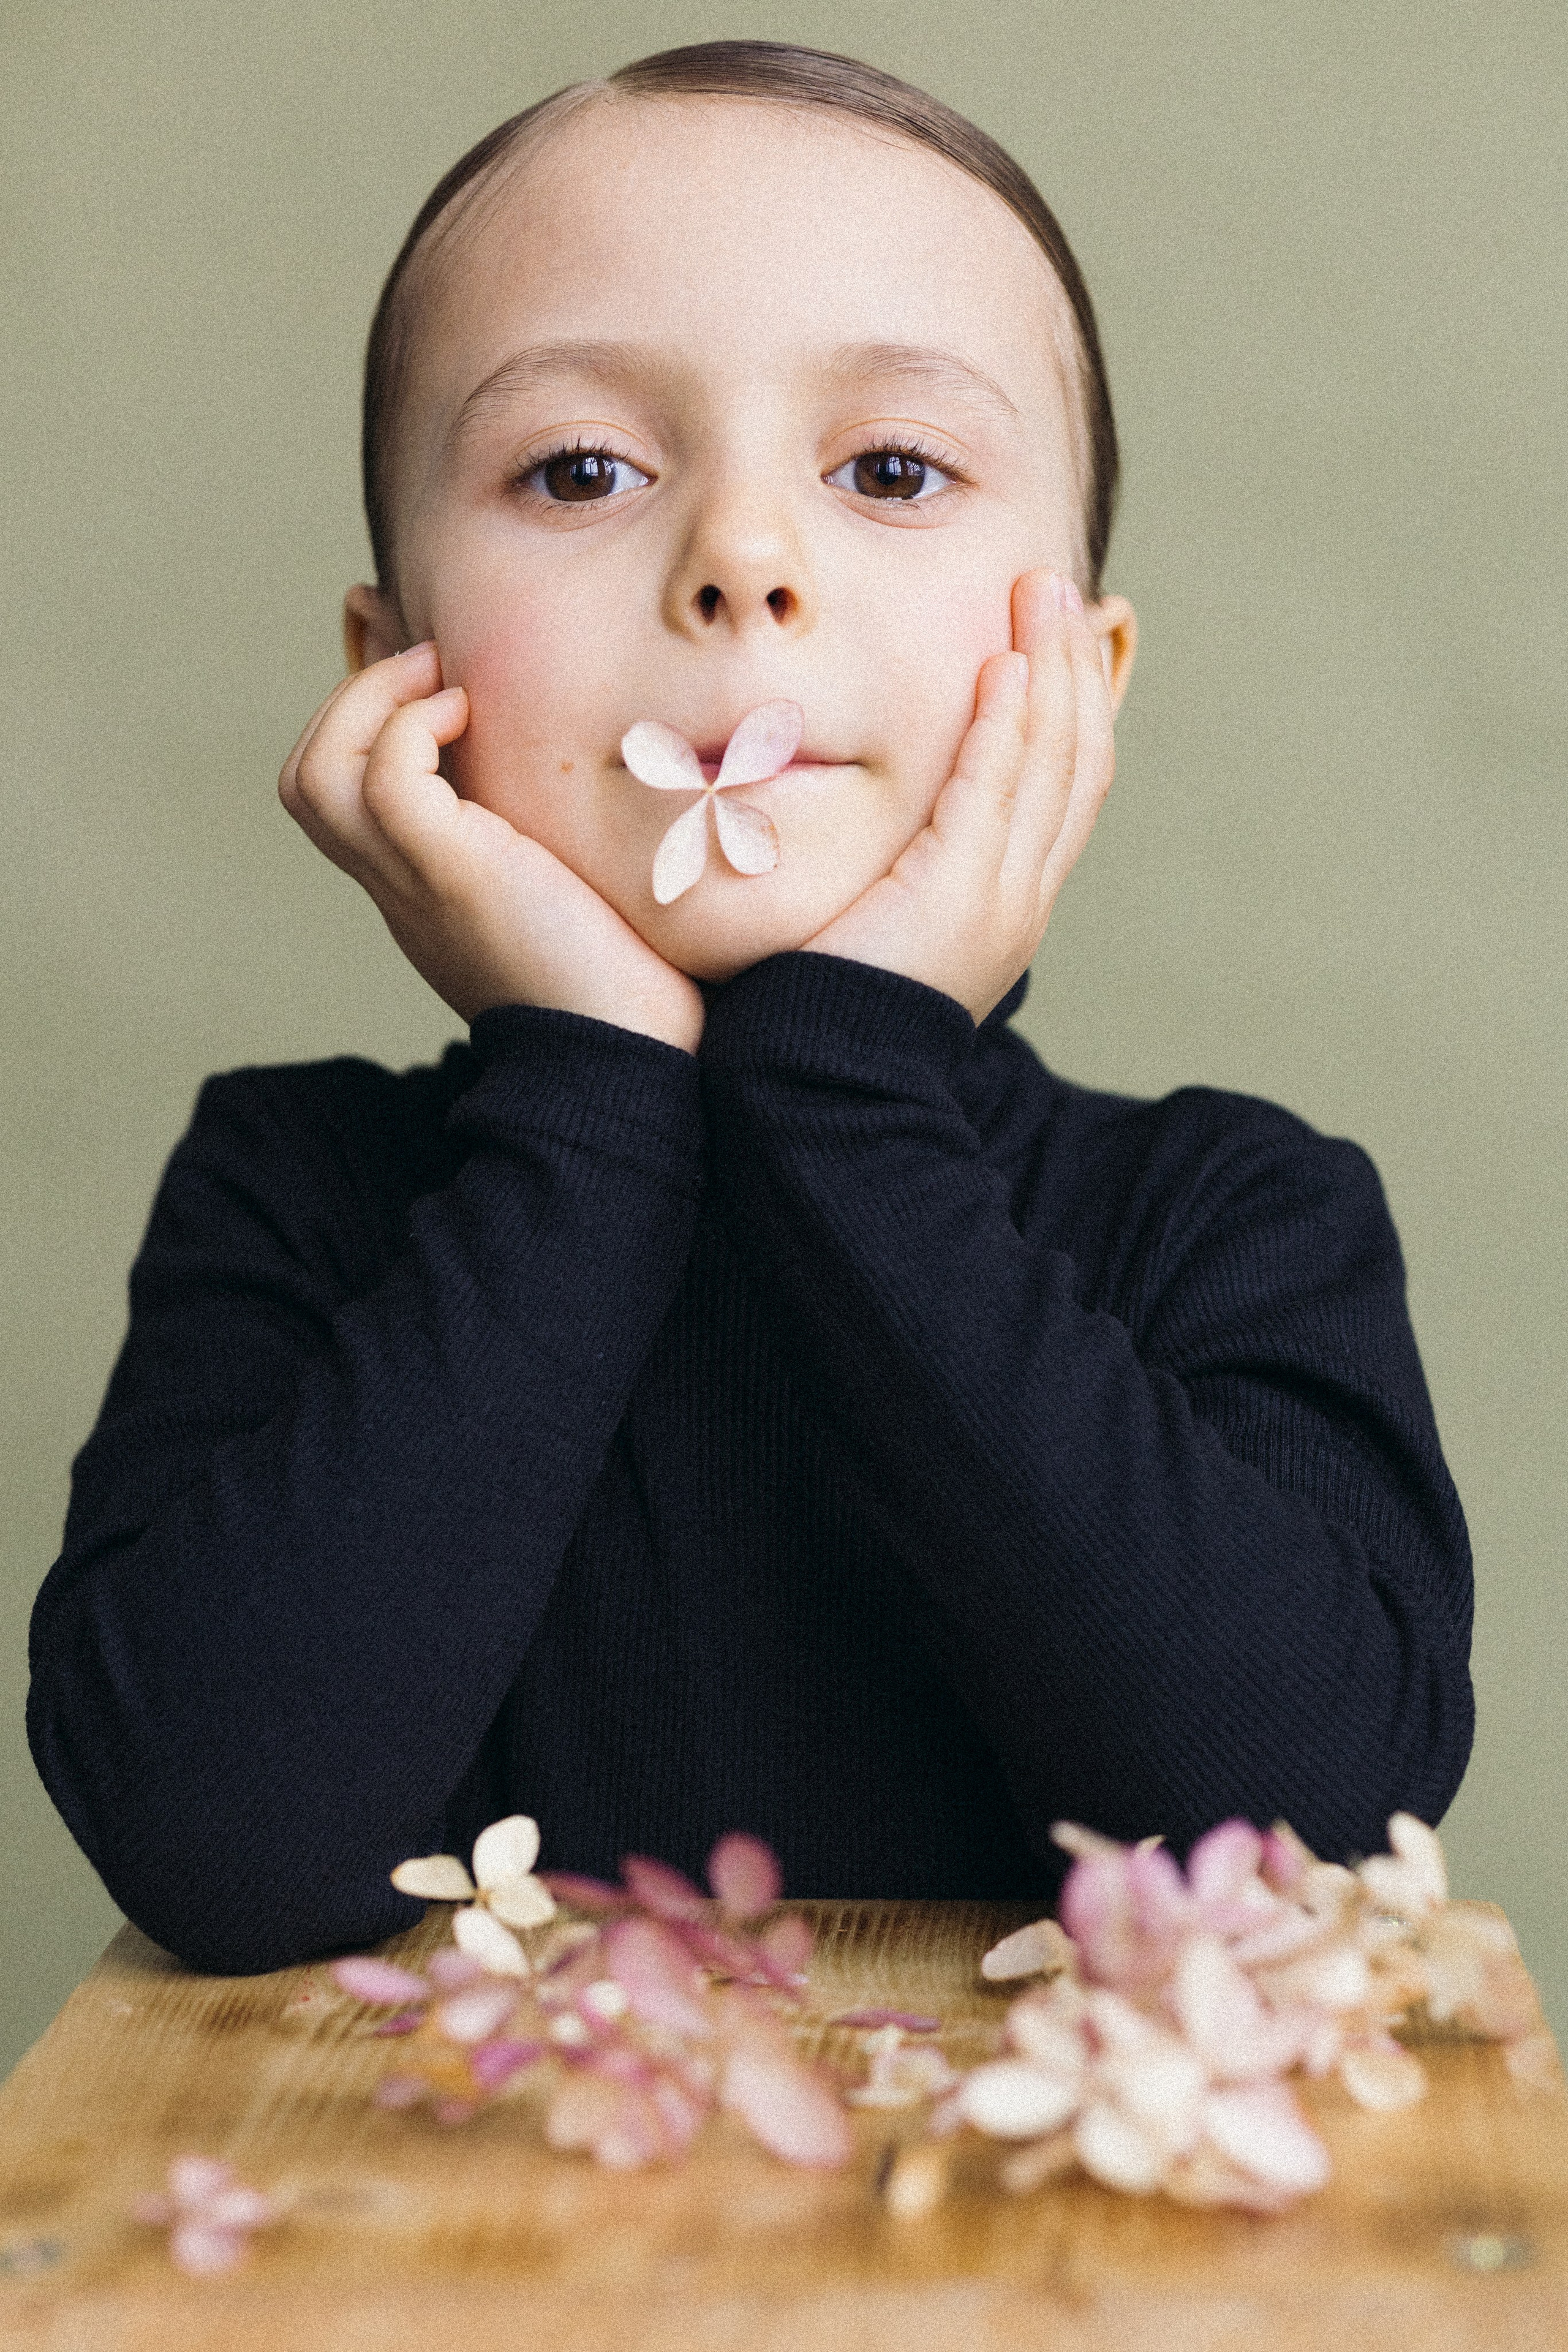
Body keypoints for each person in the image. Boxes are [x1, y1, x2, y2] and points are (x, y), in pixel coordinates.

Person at [28, 42, 1473, 1977]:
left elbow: (1301, 1835)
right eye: (580, 470)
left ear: (1084, 683)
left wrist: (850, 1090)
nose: (741, 563)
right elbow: (215, 1843)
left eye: (891, 470)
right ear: (399, 669)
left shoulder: (1236, 1211)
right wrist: (592, 1100)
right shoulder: (291, 1189)